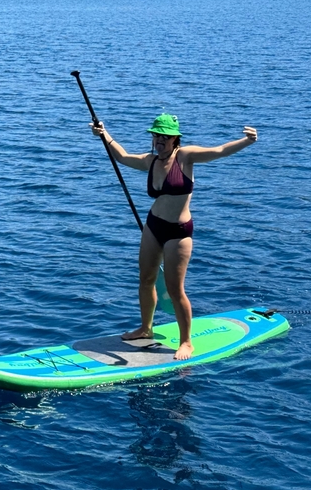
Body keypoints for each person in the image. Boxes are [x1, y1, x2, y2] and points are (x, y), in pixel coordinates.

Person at [91, 114, 257, 360]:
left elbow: (219, 150)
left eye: (164, 136)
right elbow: (123, 157)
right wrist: (104, 135)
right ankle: (146, 328)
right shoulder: (151, 161)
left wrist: (247, 141)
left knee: (175, 289)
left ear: (174, 139)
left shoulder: (185, 156)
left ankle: (186, 342)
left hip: (178, 232)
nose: (159, 140)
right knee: (146, 278)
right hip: (153, 225)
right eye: (156, 135)